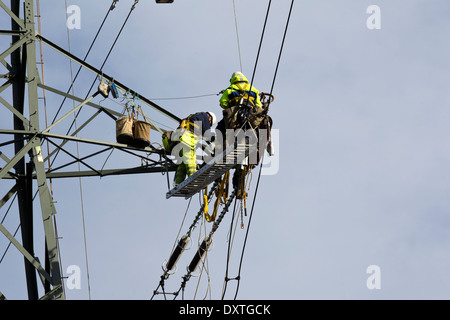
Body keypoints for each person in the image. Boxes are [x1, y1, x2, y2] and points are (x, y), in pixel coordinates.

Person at [173, 111, 217, 186]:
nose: (208, 124)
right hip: (187, 141)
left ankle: (177, 182)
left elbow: (204, 135)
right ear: (210, 118)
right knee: (191, 159)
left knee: (182, 164)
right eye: (209, 123)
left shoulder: (195, 117)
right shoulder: (205, 116)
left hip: (179, 142)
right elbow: (207, 132)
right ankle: (193, 178)